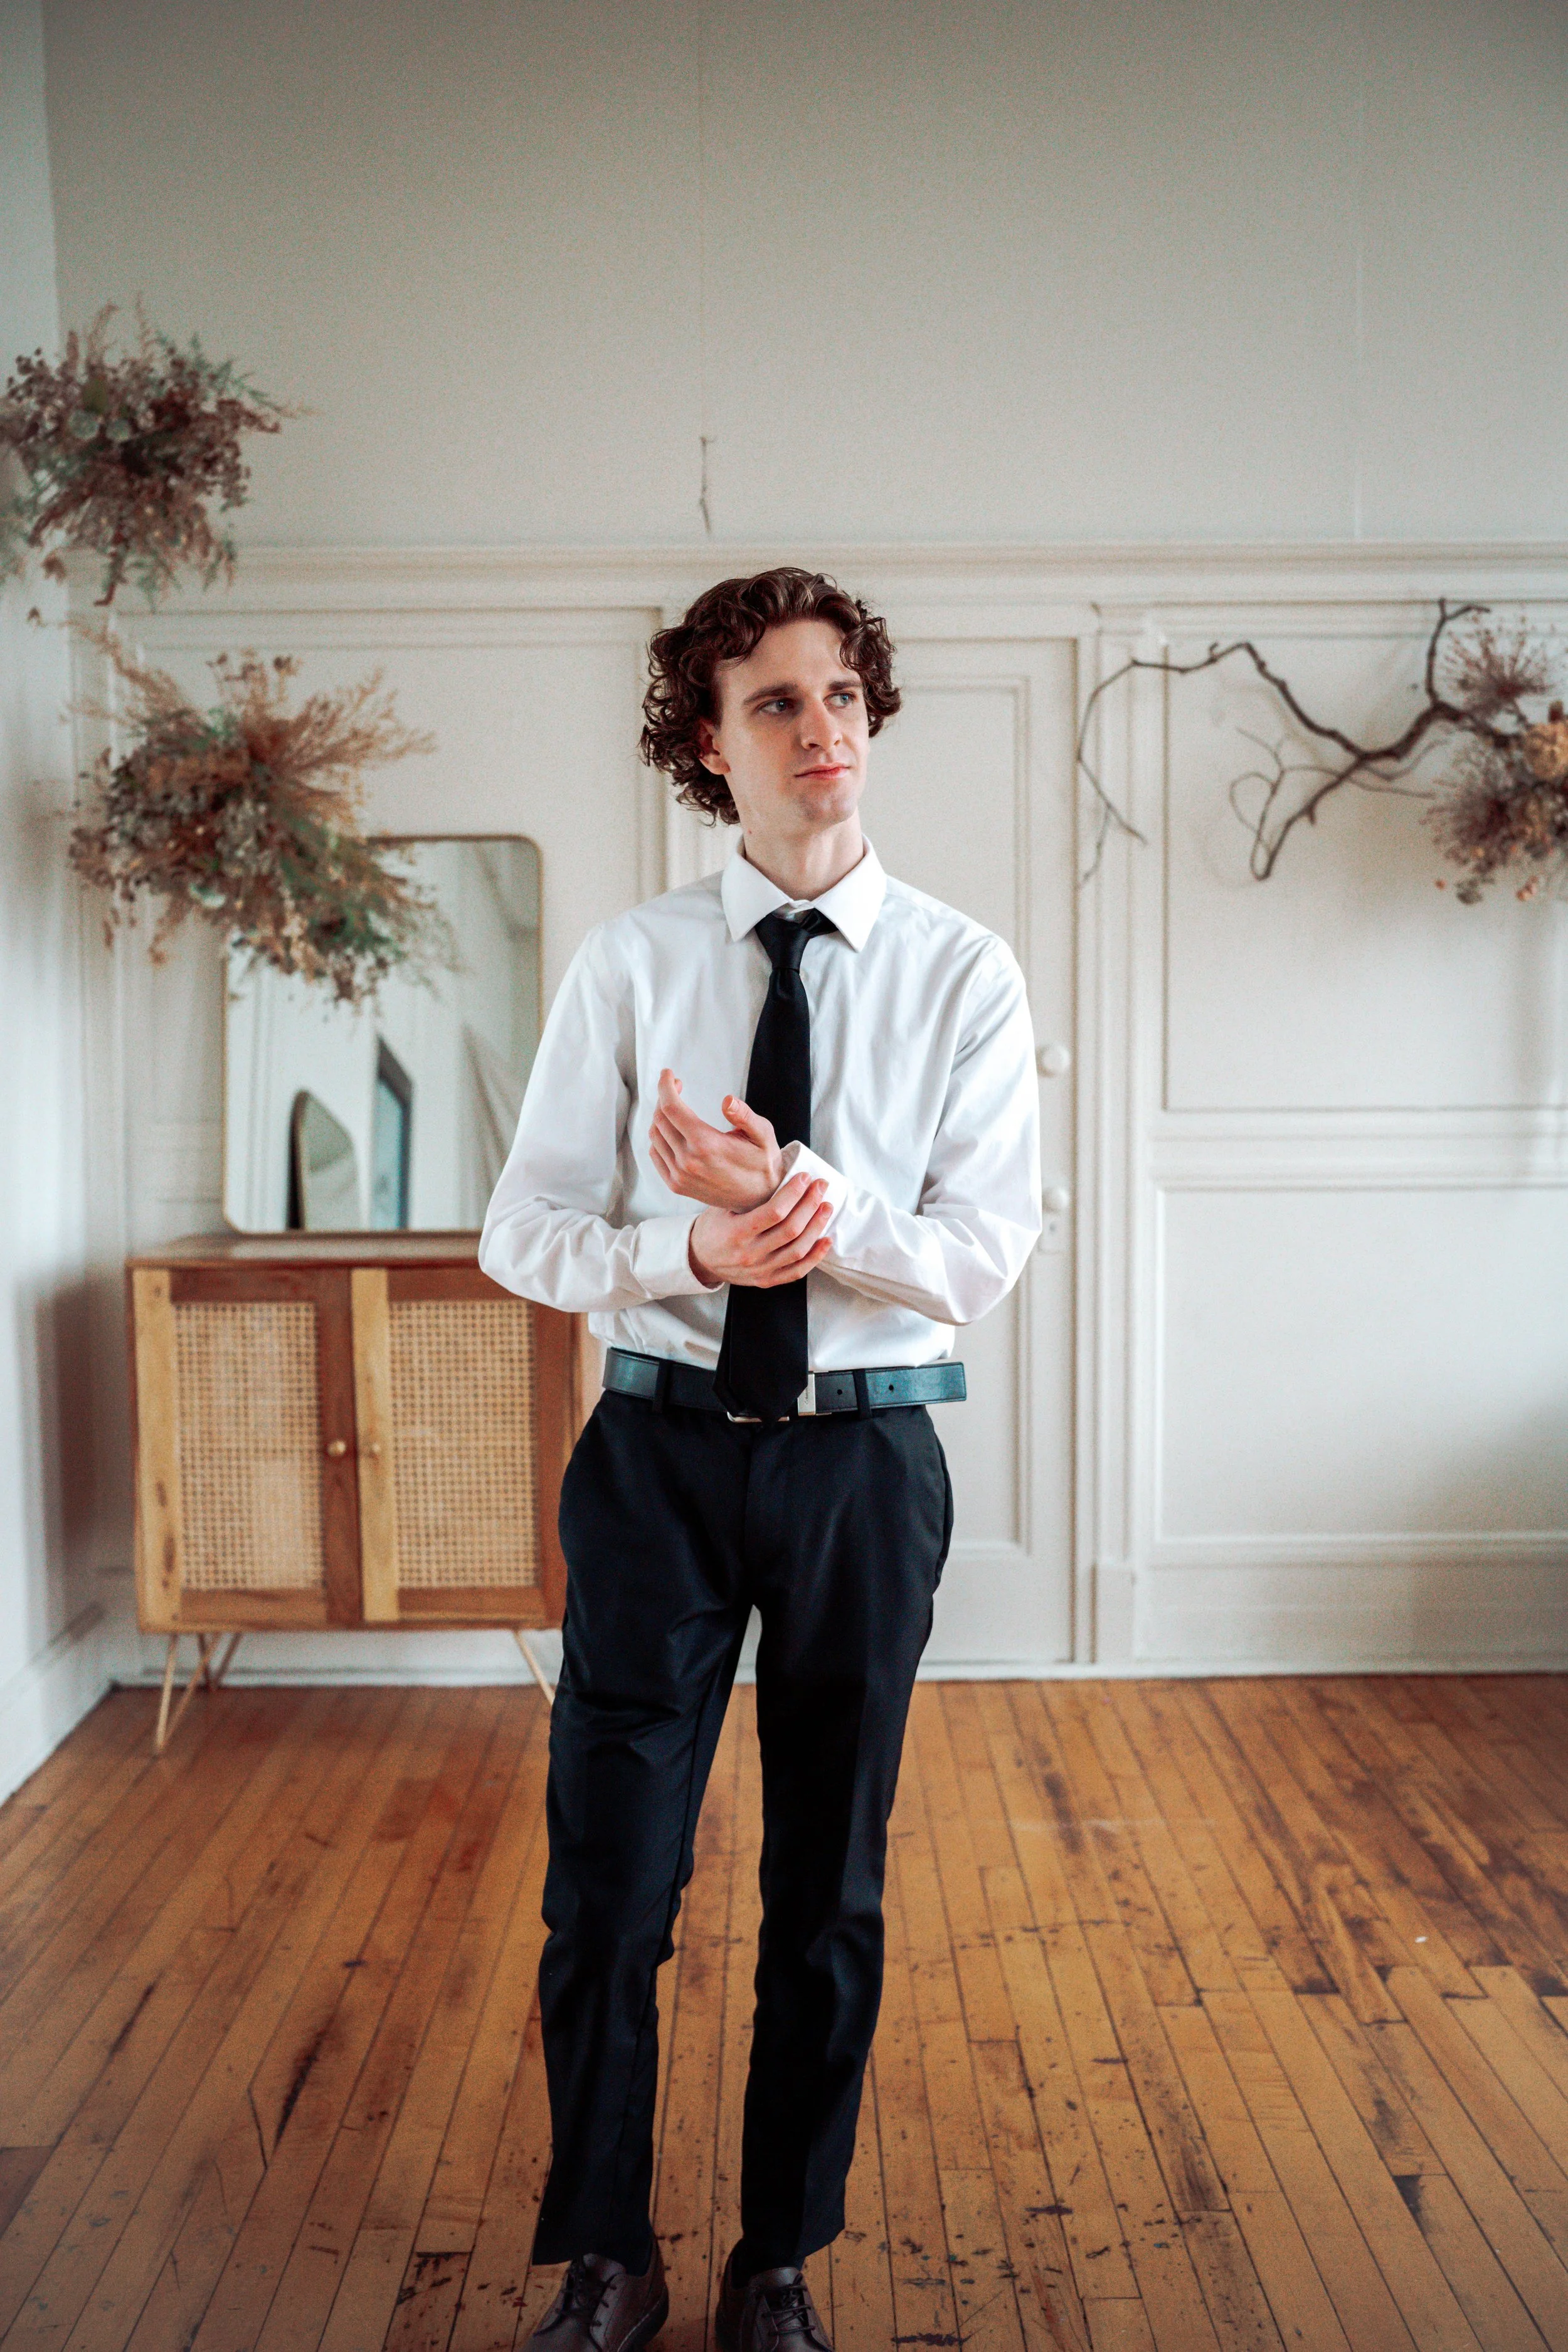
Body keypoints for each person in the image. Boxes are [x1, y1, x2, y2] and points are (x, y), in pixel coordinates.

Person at [479, 566, 1041, 2352]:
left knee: (829, 1891)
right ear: (707, 749)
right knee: (607, 1888)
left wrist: (786, 1201)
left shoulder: (963, 971)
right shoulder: (633, 961)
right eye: (776, 707)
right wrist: (687, 1252)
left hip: (863, 1475)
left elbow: (968, 1258)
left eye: (841, 698)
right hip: (654, 1457)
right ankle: (605, 2255)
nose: (823, 735)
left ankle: (774, 2262)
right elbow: (525, 1230)